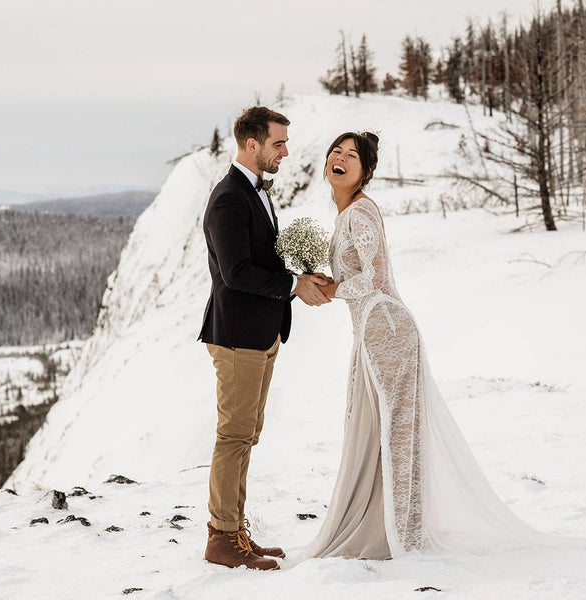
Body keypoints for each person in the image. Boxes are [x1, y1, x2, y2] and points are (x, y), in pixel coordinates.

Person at [304, 132, 544, 559]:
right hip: (372, 331)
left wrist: (336, 288)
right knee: (375, 430)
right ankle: (384, 528)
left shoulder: (359, 212)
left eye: (351, 156)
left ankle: (404, 536)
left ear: (367, 172)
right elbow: (358, 274)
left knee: (397, 433)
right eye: (335, 153)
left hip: (387, 328)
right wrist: (328, 282)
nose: (340, 159)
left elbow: (373, 280)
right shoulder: (346, 215)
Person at [198, 106, 330, 570]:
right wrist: (294, 286)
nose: (286, 152)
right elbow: (235, 273)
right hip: (237, 337)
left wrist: (301, 274)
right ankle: (221, 539)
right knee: (233, 437)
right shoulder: (229, 198)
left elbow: (259, 261)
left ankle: (234, 532)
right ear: (251, 144)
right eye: (278, 143)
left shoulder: (253, 192)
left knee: (245, 436)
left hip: (259, 333)